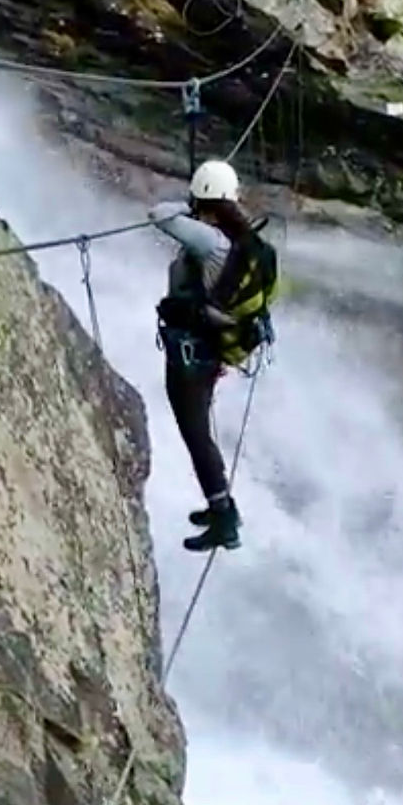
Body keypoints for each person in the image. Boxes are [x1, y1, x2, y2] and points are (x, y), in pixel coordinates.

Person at [149, 159, 276, 553]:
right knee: (198, 431)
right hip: (210, 353)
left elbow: (158, 214)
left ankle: (223, 517)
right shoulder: (243, 242)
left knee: (196, 434)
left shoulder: (213, 242)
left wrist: (188, 209)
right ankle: (220, 505)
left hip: (191, 357)